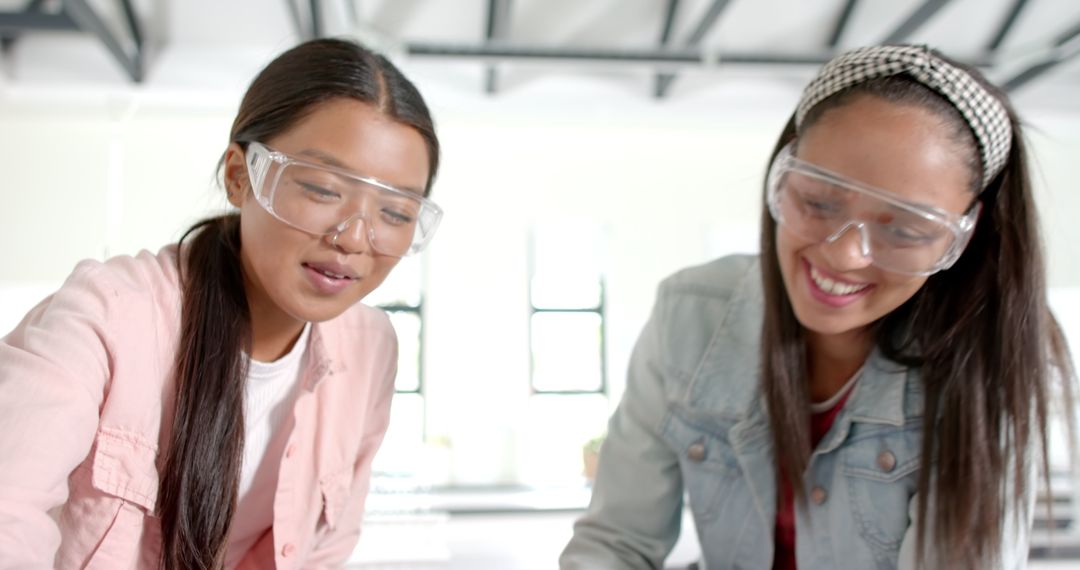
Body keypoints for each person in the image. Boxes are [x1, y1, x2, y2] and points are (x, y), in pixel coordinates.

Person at [560, 44, 1076, 569]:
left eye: (903, 230)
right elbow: (616, 544)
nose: (844, 254)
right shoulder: (690, 315)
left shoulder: (983, 368)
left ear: (962, 240)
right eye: (818, 202)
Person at [0, 38, 442, 569]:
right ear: (240, 176)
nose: (354, 238)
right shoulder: (110, 314)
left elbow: (325, 549)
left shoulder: (369, 347)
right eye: (324, 189)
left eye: (395, 214)